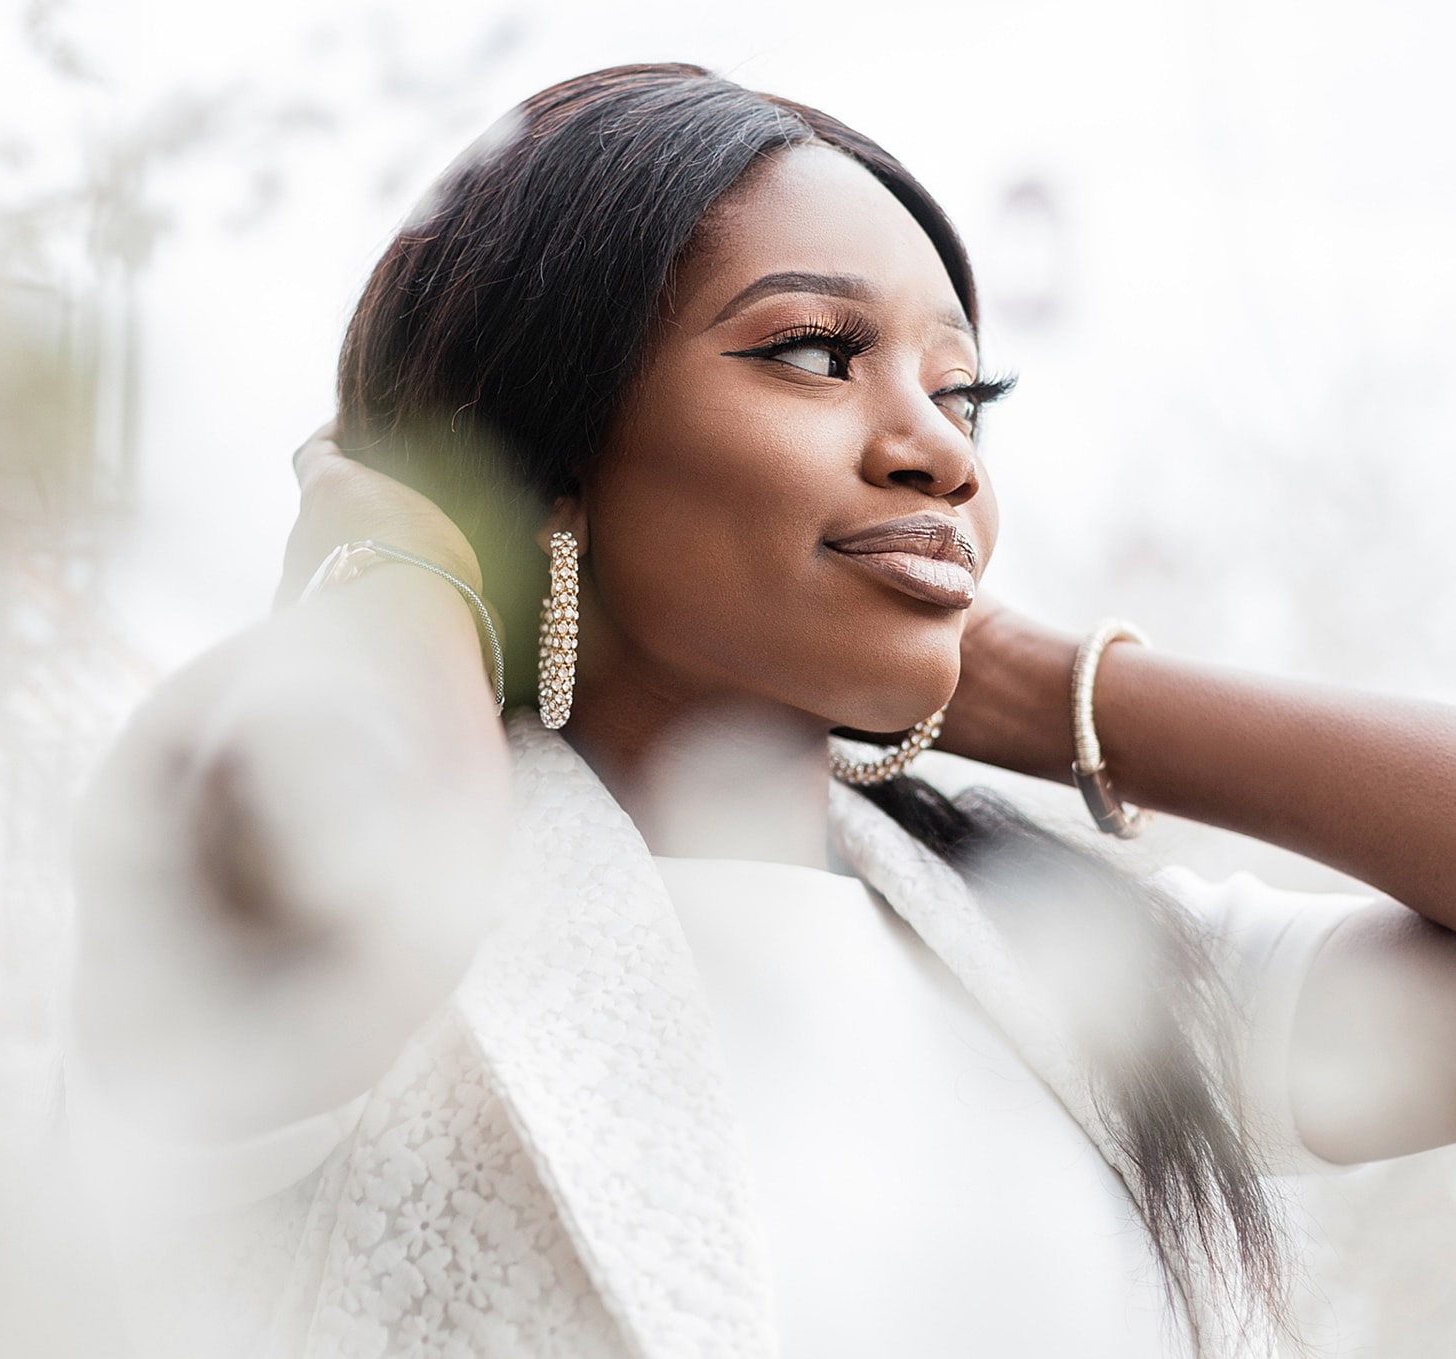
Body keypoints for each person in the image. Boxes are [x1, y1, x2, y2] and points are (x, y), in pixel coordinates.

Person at [70, 63, 1456, 1359]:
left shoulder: (1077, 967)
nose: (938, 452)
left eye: (962, 390)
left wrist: (1041, 686)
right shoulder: (279, 869)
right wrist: (417, 547)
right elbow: (360, 857)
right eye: (811, 351)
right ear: (545, 441)